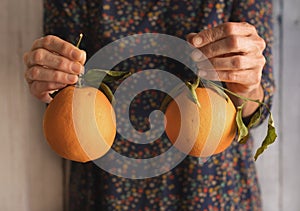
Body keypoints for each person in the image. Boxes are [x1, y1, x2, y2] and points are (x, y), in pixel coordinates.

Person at [23, 0, 274, 210]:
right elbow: (63, 93)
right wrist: (51, 77)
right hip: (109, 189)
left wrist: (247, 87)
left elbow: (257, 111)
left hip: (213, 189)